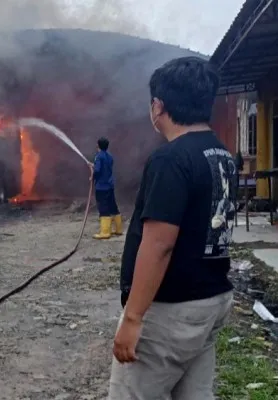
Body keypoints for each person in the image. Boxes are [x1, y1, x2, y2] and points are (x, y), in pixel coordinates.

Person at [109, 57, 237, 399]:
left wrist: (133, 318)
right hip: (210, 300)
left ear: (158, 106)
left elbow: (159, 244)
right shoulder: (221, 153)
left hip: (170, 312)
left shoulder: (171, 159)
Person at [90, 137, 122, 239]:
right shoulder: (109, 156)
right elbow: (104, 168)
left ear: (98, 145)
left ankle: (105, 232)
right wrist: (93, 165)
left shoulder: (99, 156)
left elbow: (98, 170)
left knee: (103, 208)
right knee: (113, 206)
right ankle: (118, 230)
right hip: (109, 185)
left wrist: (92, 176)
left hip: (101, 187)